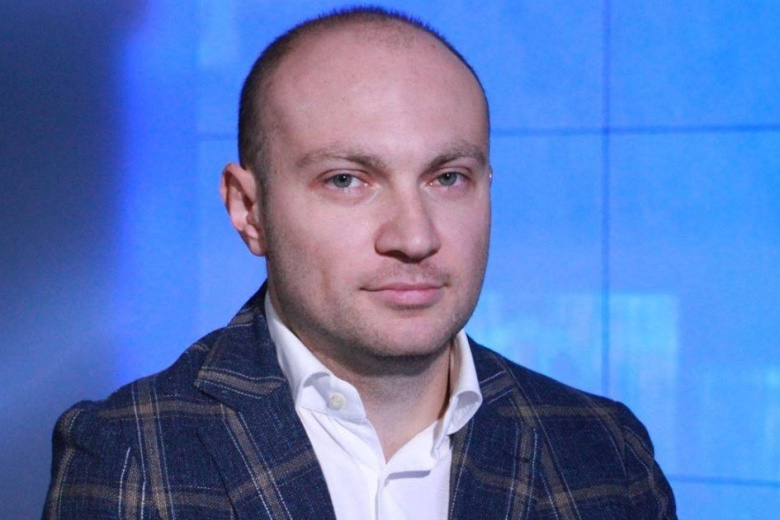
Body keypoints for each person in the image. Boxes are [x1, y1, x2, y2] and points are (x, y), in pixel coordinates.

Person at [43, 7, 676, 519]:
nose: (414, 237)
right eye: (347, 180)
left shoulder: (605, 452)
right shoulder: (131, 451)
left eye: (447, 178)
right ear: (248, 210)